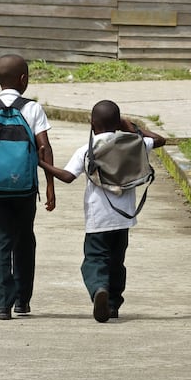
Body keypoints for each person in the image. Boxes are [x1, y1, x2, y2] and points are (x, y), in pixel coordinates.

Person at [38, 99, 165, 323]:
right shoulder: (134, 144)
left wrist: (42, 163)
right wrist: (131, 126)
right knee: (117, 262)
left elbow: (67, 177)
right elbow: (160, 140)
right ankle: (113, 305)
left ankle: (99, 289)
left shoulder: (87, 150)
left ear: (91, 123)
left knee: (95, 259)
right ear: (117, 122)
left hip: (98, 219)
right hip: (124, 219)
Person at [0, 54, 56, 321]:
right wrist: (50, 185)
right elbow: (44, 148)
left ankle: (2, 305)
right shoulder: (33, 109)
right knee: (24, 240)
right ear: (24, 80)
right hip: (25, 189)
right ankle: (22, 301)